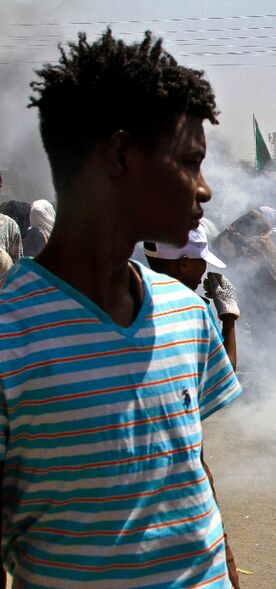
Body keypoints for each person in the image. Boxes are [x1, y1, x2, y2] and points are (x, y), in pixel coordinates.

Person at [0, 30, 243, 587]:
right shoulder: (11, 340)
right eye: (189, 162)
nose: (204, 190)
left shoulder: (188, 313)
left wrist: (228, 569)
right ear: (119, 156)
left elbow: (190, 473)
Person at [144, 222, 240, 369]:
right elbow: (225, 371)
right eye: (202, 260)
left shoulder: (138, 297)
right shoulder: (194, 310)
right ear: (184, 264)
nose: (205, 266)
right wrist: (228, 316)